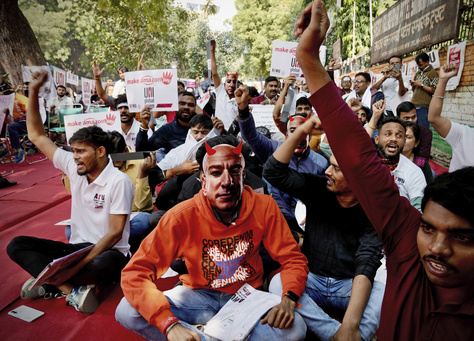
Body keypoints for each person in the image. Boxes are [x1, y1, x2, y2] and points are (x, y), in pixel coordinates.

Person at [294, 2, 474, 340]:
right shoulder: (408, 242)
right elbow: (358, 157)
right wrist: (309, 57)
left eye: (463, 237)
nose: (437, 247)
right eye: (428, 227)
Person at [115, 134, 309, 341]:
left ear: (244, 176)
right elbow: (136, 273)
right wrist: (169, 325)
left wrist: (289, 298)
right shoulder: (181, 216)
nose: (227, 182)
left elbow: (293, 259)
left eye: (235, 171)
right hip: (198, 296)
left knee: (296, 328)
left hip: (247, 298)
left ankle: (203, 335)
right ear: (203, 180)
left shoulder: (264, 206)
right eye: (216, 173)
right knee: (127, 310)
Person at [7, 70, 134, 314]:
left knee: (101, 263)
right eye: (73, 151)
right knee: (17, 245)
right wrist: (32, 92)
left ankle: (48, 280)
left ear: (100, 152)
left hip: (107, 253)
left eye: (81, 151)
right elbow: (36, 135)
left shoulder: (119, 181)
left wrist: (79, 263)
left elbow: (116, 234)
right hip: (76, 250)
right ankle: (67, 288)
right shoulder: (74, 166)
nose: (74, 157)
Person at [263, 115, 384, 341]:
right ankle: (336, 335)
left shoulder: (373, 210)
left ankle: (355, 334)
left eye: (336, 169)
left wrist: (351, 322)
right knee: (278, 282)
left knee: (382, 293)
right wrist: (301, 131)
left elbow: (366, 264)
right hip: (310, 281)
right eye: (330, 164)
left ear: (358, 179)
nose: (327, 171)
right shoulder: (318, 188)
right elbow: (273, 173)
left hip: (347, 286)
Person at [238, 84, 328, 234]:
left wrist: (314, 216)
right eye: (293, 131)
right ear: (286, 133)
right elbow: (250, 136)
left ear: (309, 133)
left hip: (306, 226)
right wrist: (243, 110)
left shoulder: (321, 163)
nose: (297, 136)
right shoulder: (272, 149)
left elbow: (324, 197)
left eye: (302, 131)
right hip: (273, 222)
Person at [366, 103, 426, 210]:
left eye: (399, 136)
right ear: (376, 139)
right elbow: (357, 146)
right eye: (388, 134)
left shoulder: (414, 172)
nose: (394, 139)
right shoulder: (366, 163)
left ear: (403, 141)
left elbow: (418, 211)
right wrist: (375, 117)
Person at [136, 91, 197, 161]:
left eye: (190, 105)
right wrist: (144, 126)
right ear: (175, 106)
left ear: (195, 108)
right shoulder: (167, 130)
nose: (186, 107)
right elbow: (141, 152)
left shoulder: (204, 127)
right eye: (182, 104)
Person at [210, 40, 239, 130]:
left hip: (234, 135)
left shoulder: (240, 99)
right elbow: (214, 73)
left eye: (234, 82)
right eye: (228, 81)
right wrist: (212, 51)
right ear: (224, 84)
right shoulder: (220, 92)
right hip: (218, 134)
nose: (231, 85)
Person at [396, 101, 432, 168]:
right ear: (398, 118)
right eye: (406, 118)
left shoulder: (425, 132)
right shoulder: (394, 131)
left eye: (413, 117)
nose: (411, 121)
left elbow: (424, 155)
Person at [411, 52, 438, 128]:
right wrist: (413, 85)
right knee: (414, 129)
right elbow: (415, 90)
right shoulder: (418, 73)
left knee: (423, 129)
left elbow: (434, 90)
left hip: (424, 106)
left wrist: (421, 85)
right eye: (418, 65)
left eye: (421, 65)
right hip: (414, 105)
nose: (419, 67)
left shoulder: (433, 73)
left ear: (427, 62)